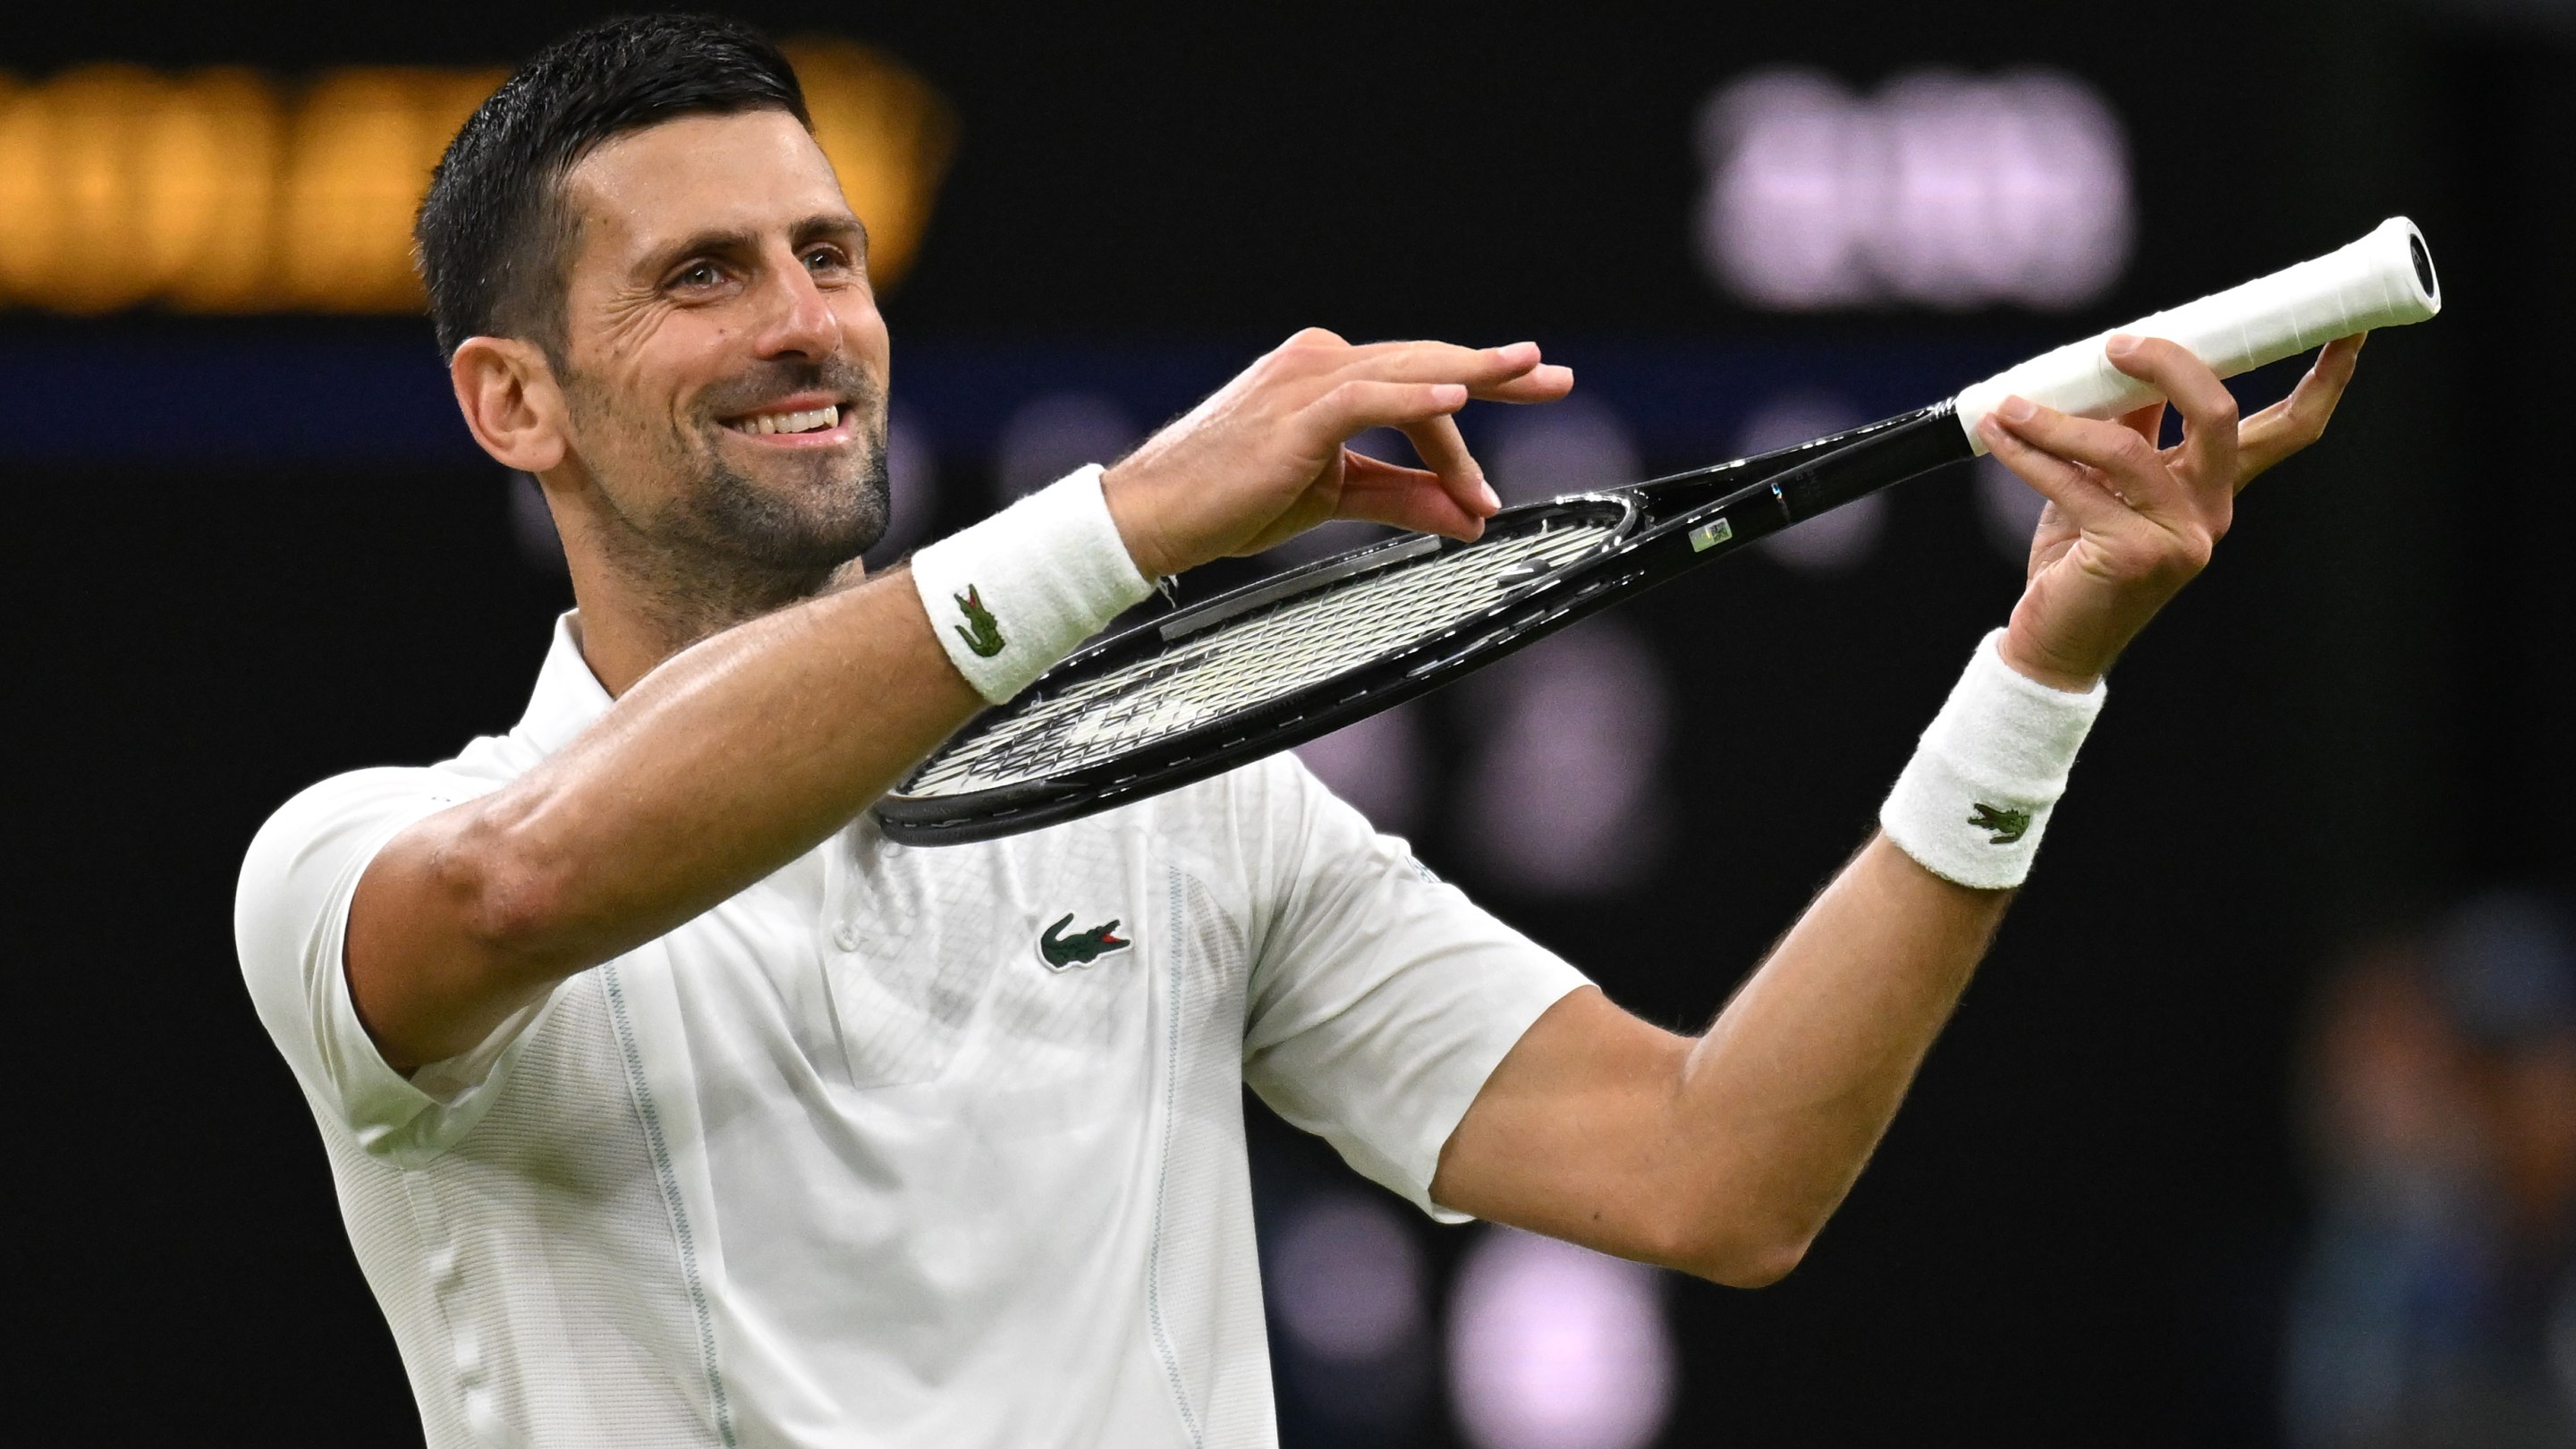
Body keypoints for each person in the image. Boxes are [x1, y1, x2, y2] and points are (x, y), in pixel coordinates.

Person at [233, 14, 2365, 1448]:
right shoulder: (359, 860)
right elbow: (525, 884)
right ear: (515, 400)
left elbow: (1722, 1168)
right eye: (704, 274)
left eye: (828, 253)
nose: (807, 323)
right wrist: (1135, 518)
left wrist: (2044, 669)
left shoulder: (1188, 809)